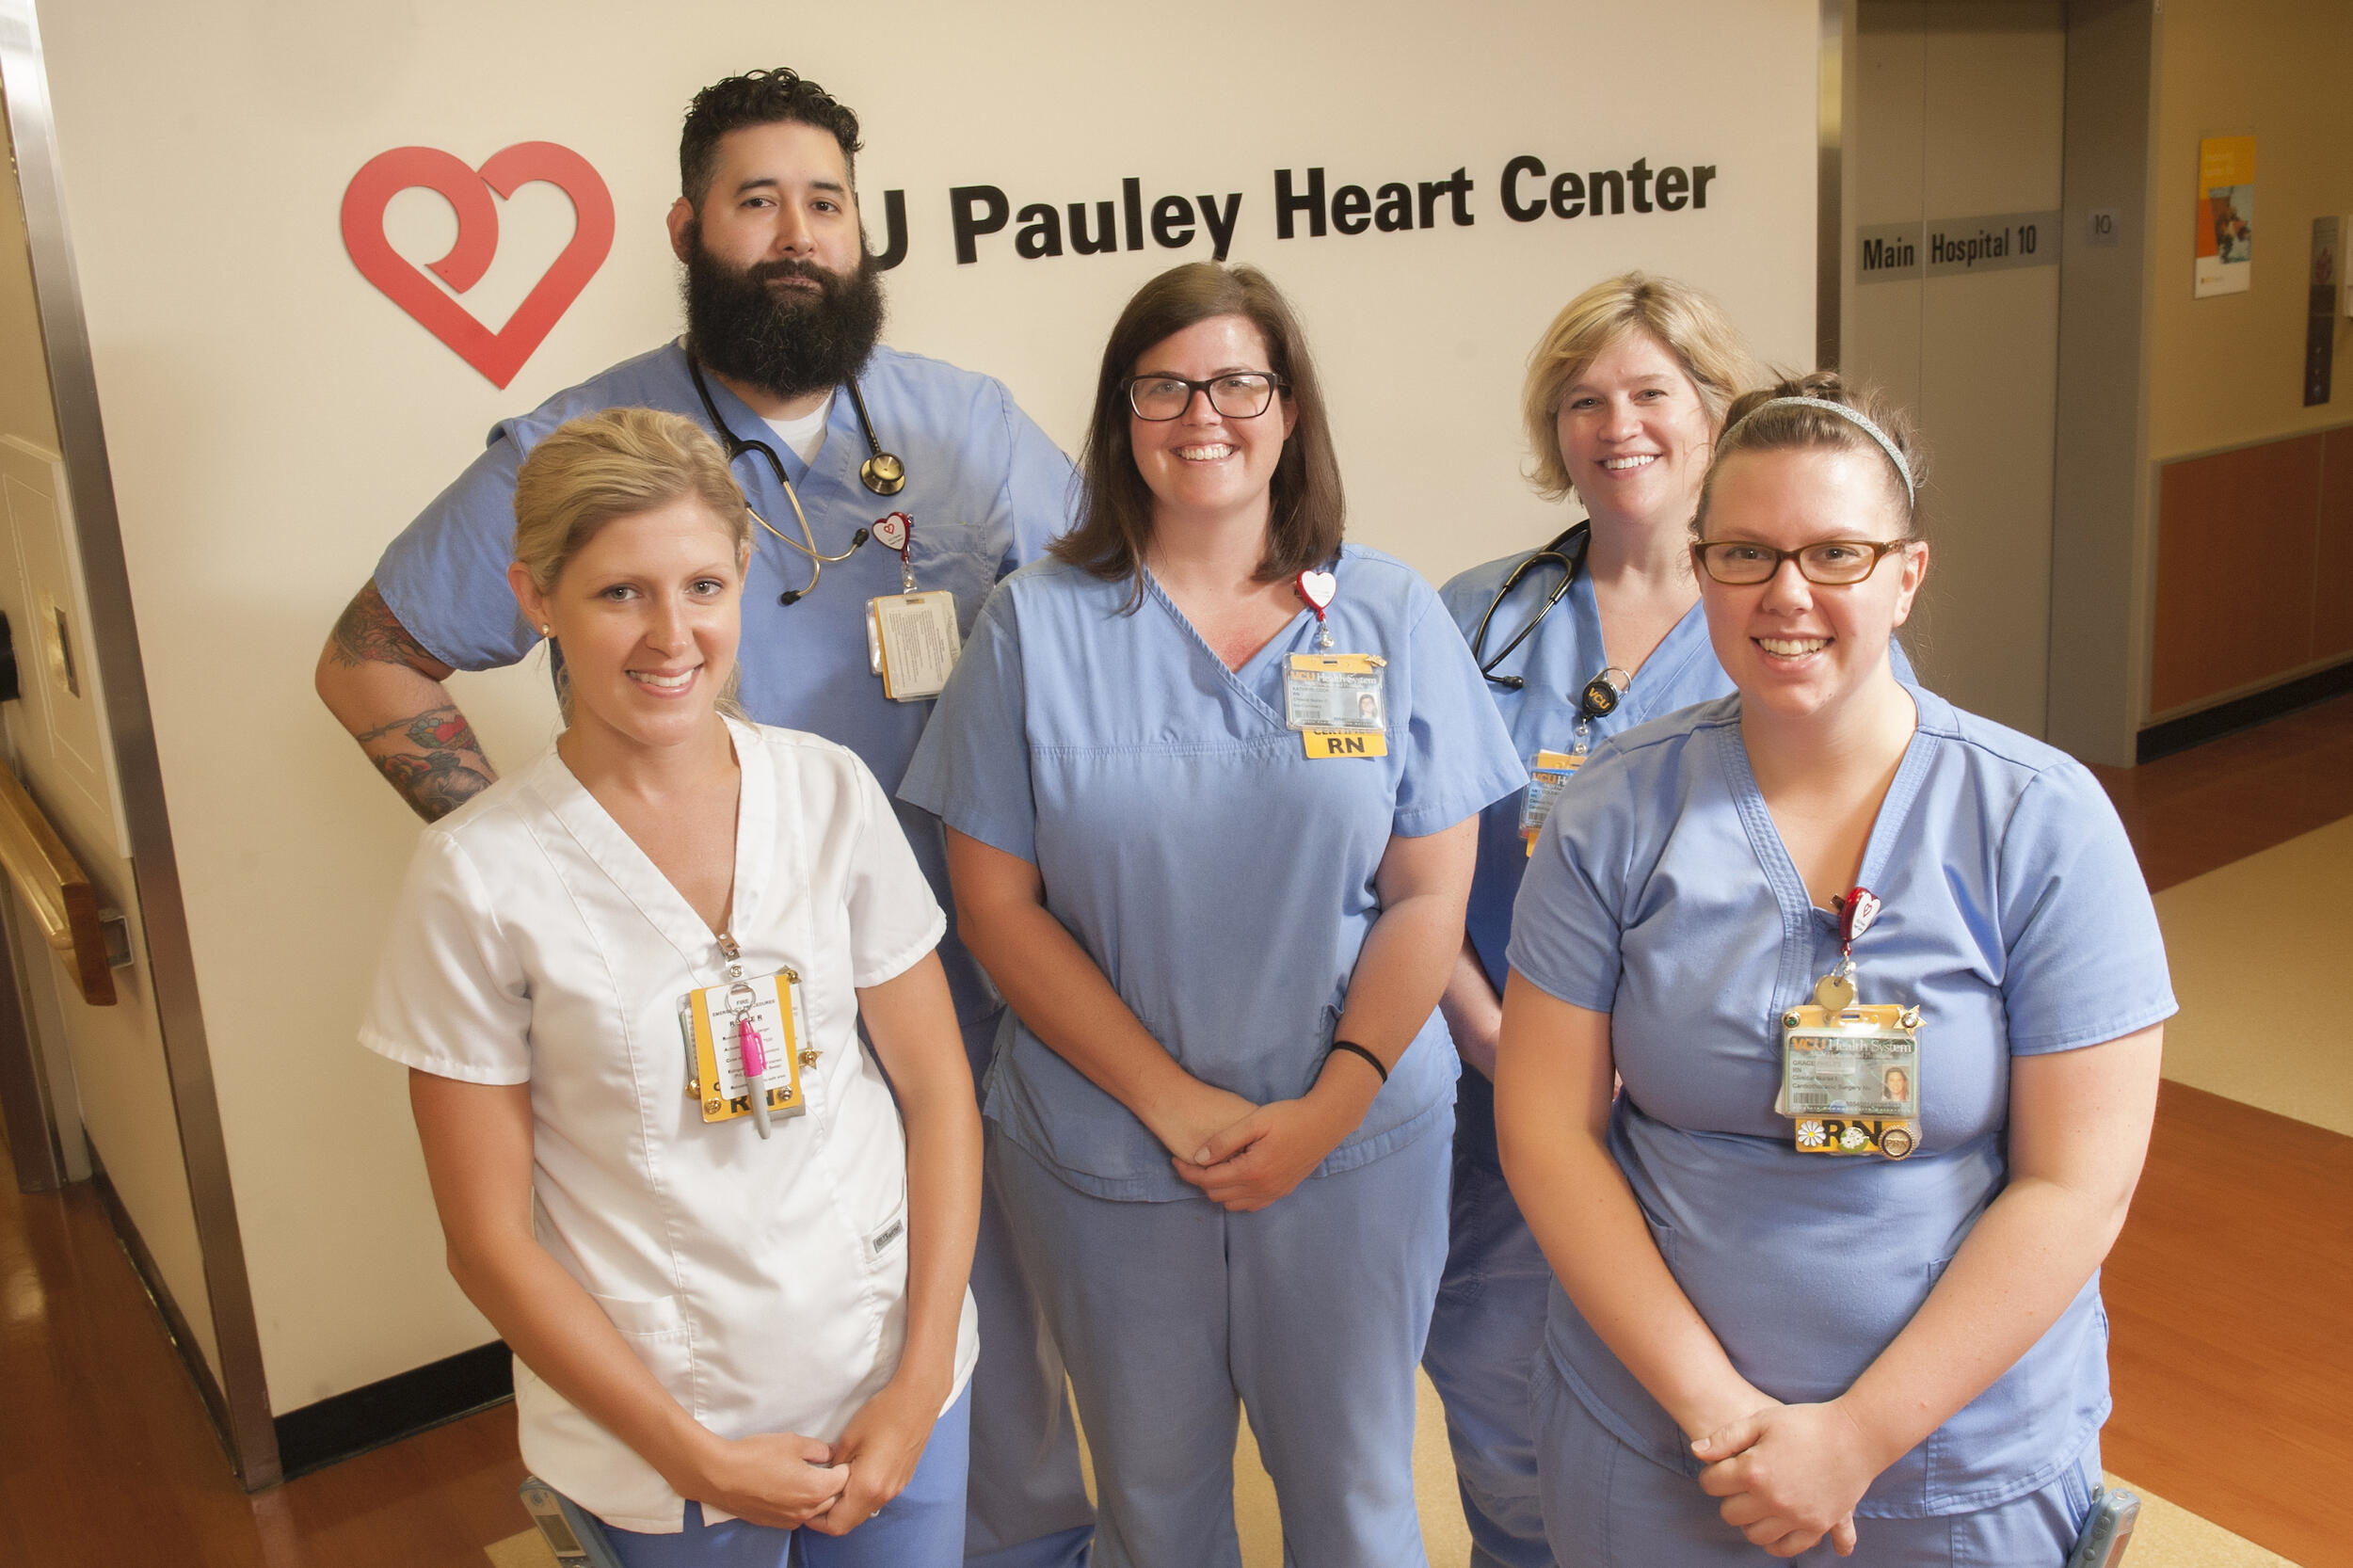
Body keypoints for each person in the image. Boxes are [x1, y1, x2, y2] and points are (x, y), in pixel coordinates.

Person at [314, 69, 1094, 1568]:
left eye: (825, 203)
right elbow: (369, 654)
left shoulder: (961, 430)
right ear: (688, 227)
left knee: (959, 1341)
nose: (795, 234)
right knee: (704, 1320)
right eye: (755, 201)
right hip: (677, 990)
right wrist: (564, 872)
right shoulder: (577, 445)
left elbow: (1100, 631)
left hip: (944, 963)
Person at [899, 263, 1523, 1568]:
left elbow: (1429, 890)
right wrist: (1171, 1100)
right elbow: (997, 910)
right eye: (1163, 385)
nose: (1203, 413)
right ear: (1122, 416)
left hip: (1355, 1146)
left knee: (1358, 1503)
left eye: (1238, 381)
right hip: (1112, 1149)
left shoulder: (1390, 612)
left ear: (1289, 410)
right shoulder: (1033, 626)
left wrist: (1337, 1098)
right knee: (1156, 1501)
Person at [1496, 375, 2173, 1564]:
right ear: (1700, 567)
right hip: (1660, 1439)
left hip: (1955, 1458)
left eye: (1836, 554)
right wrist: (1716, 1414)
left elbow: (2078, 1188)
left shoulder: (2039, 820)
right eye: (1745, 553)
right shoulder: (1613, 808)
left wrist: (1852, 1437)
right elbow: (1546, 1130)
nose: (1786, 595)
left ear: (1907, 574)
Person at [361, 408, 984, 1564]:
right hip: (664, 1441)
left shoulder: (830, 794)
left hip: (888, 1381)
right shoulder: (478, 876)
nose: (670, 635)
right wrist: (689, 1451)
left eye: (702, 584)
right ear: (535, 598)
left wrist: (923, 1372)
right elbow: (488, 1240)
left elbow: (939, 1094)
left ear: (743, 575)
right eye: (617, 594)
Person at [1425, 274, 1763, 1568]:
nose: (1616, 426)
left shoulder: (1777, 615)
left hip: (1704, 1105)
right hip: (1499, 1087)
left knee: (1703, 1397)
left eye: (1648, 394)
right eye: (1582, 402)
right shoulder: (1475, 617)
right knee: (1499, 1380)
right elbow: (1406, 860)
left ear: (1714, 411)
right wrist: (1487, 1030)